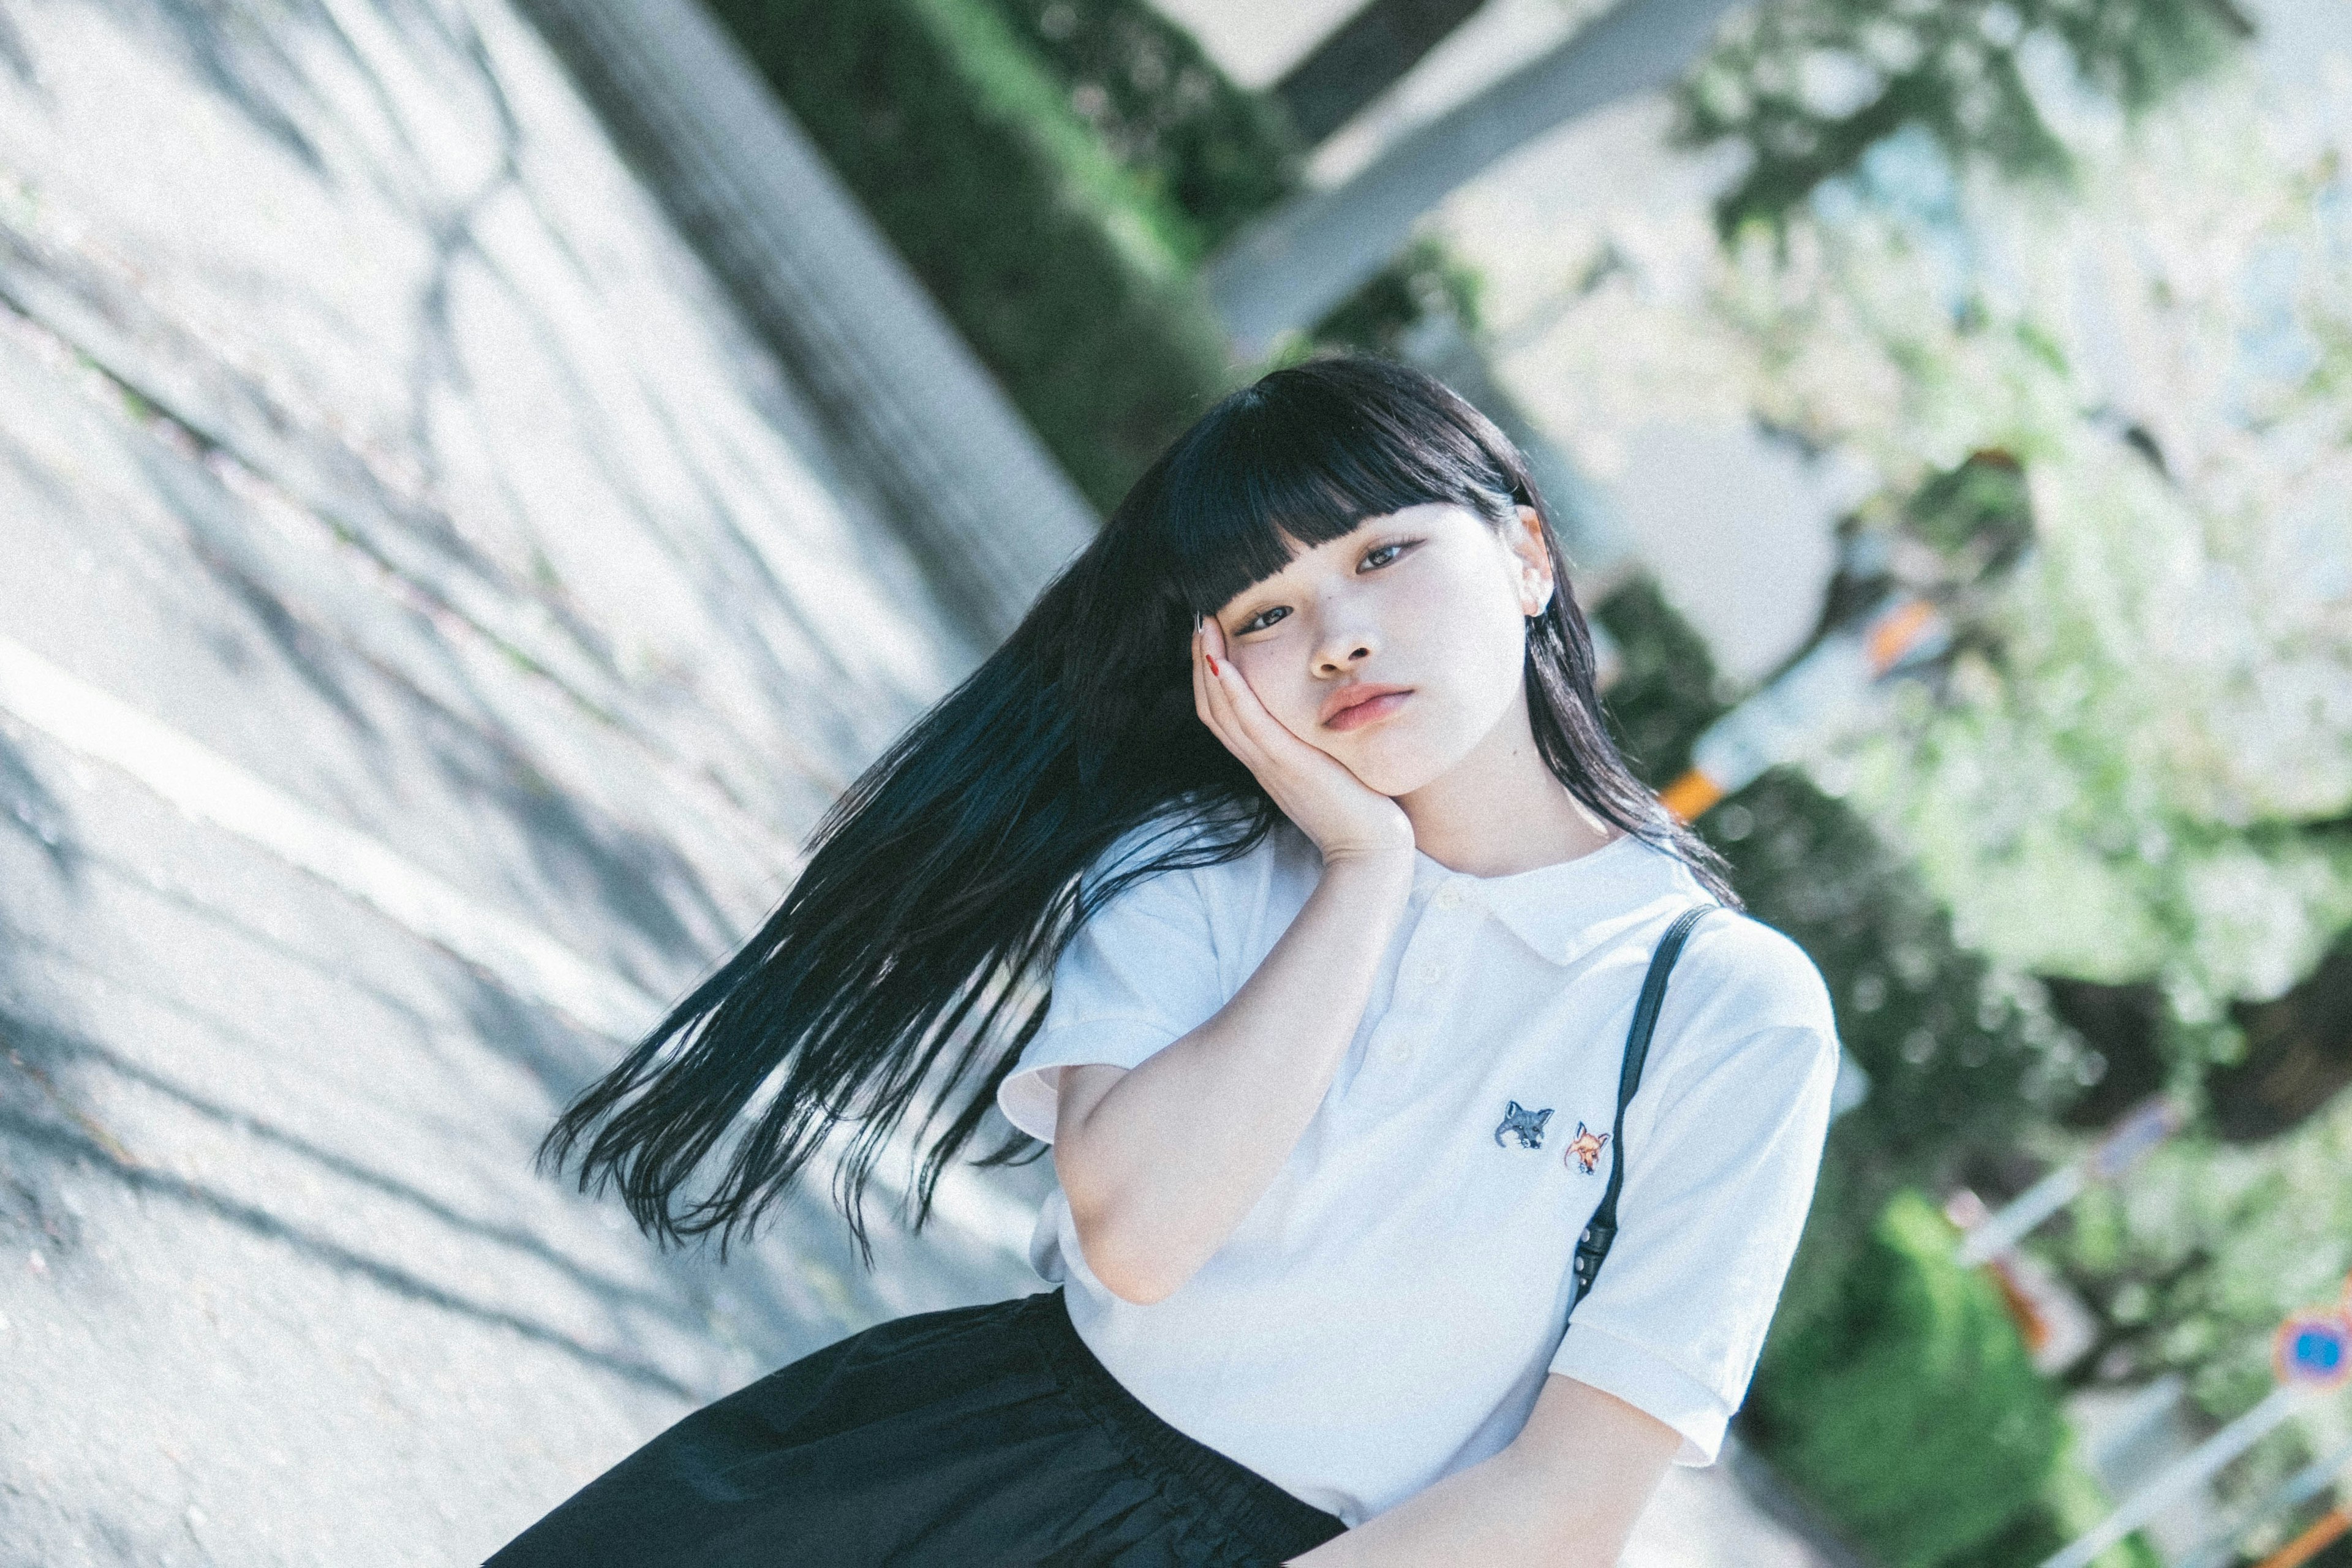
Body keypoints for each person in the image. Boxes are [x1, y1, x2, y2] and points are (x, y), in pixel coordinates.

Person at [488, 356, 1841, 1566]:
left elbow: (1565, 1507)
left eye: (1381, 554)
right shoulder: (1203, 857)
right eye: (1265, 611)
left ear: (1530, 557)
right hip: (971, 1469)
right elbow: (1140, 1236)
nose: (1337, 637)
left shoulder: (1725, 1009)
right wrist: (1364, 875)